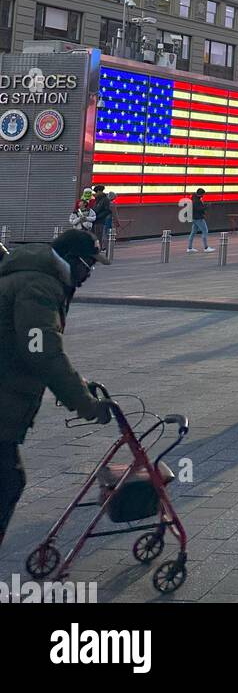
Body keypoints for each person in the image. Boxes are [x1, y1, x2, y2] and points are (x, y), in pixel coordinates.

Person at [0, 229, 112, 548]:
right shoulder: (39, 285)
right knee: (7, 483)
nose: (90, 273)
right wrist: (85, 404)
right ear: (74, 261)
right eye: (89, 265)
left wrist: (78, 385)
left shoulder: (35, 278)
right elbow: (43, 353)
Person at [187, 187, 212, 252]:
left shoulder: (194, 198)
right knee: (205, 231)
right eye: (203, 194)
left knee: (193, 232)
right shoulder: (197, 201)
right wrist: (207, 206)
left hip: (194, 218)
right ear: (201, 194)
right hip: (199, 218)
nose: (203, 196)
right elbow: (200, 209)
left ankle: (189, 248)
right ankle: (206, 247)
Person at [91, 184, 113, 249]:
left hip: (100, 221)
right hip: (94, 221)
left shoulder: (105, 200)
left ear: (100, 191)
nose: (96, 194)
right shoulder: (97, 200)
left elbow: (107, 211)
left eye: (96, 192)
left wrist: (97, 217)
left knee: (98, 236)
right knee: (94, 236)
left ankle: (98, 249)